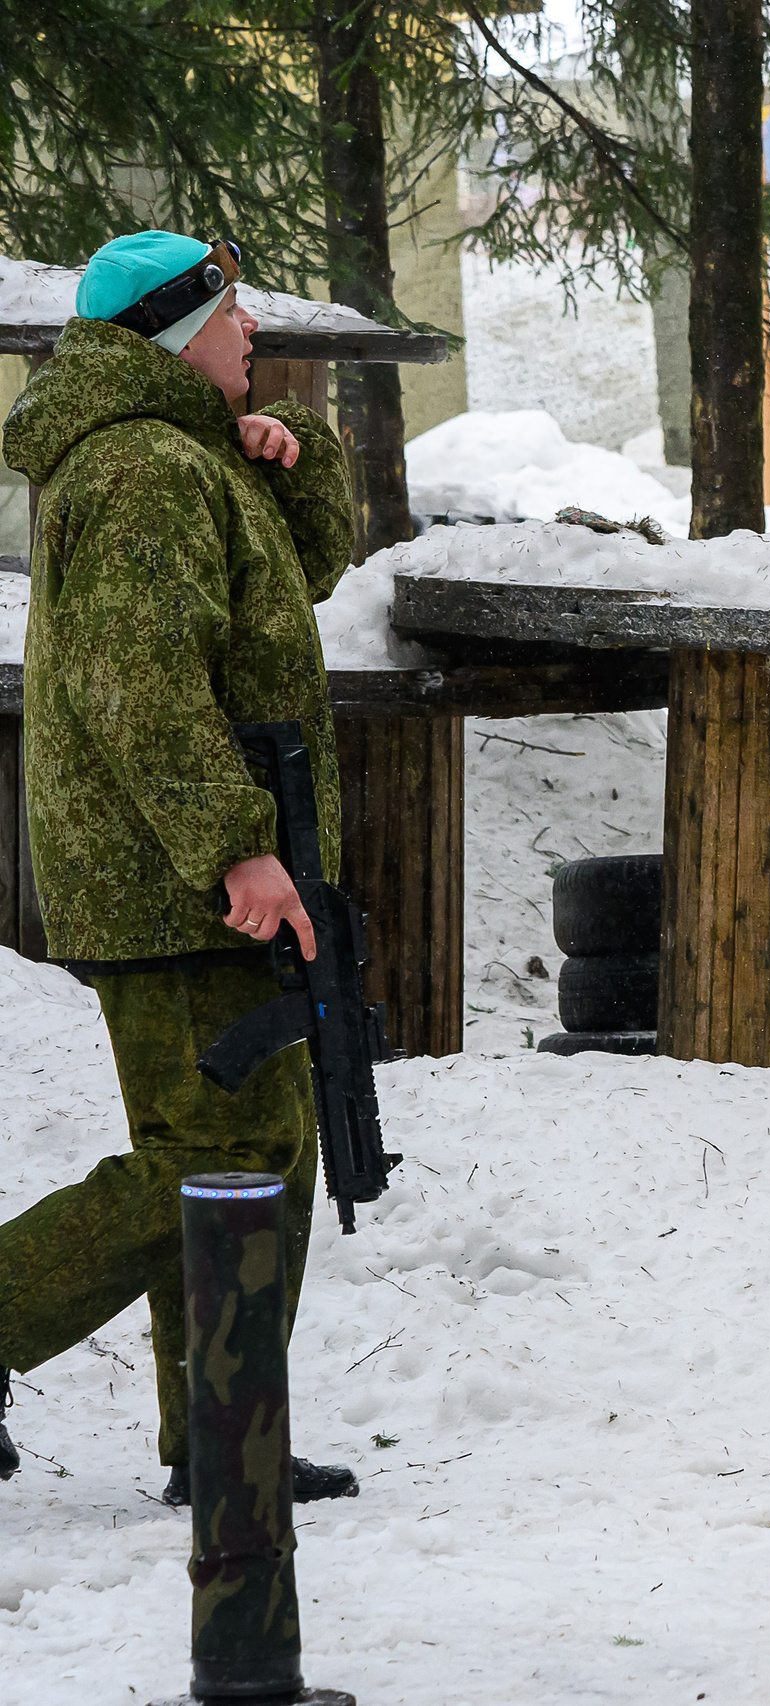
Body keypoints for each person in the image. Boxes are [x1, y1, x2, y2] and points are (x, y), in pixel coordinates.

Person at [0, 232, 359, 1503]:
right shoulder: (144, 468)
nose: (249, 326)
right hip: (176, 885)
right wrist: (236, 848)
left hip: (191, 879)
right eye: (229, 311)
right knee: (216, 1160)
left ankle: (223, 1439)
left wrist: (289, 456)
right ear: (172, 333)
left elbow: (306, 575)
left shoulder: (185, 455)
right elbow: (139, 685)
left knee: (247, 1151)